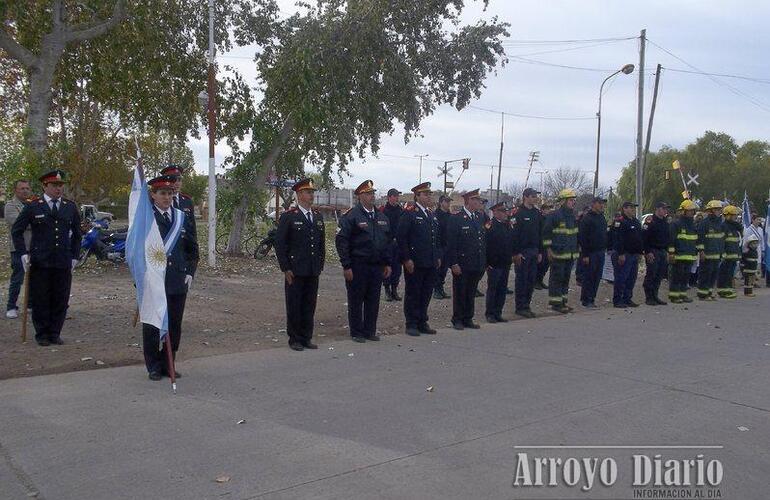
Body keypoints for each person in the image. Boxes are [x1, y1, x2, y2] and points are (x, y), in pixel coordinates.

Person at [12, 170, 81, 346]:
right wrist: (23, 253)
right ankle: (42, 333)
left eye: (60, 185)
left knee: (61, 298)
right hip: (41, 261)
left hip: (63, 260)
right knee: (41, 298)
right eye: (54, 185)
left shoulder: (69, 206)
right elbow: (17, 231)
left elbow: (77, 234)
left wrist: (74, 256)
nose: (58, 189)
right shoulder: (34, 206)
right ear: (45, 186)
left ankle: (55, 332)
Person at [139, 175, 198, 380]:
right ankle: (153, 365)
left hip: (177, 279)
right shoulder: (145, 218)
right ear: (153, 195)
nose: (167, 197)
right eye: (162, 193)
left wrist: (190, 272)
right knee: (153, 323)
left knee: (174, 324)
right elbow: (137, 251)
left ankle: (168, 362)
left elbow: (192, 249)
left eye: (170, 193)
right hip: (153, 280)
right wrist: (140, 278)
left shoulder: (181, 217)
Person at [335, 180, 392, 342]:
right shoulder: (351, 216)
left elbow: (386, 241)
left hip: (376, 266)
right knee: (356, 299)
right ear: (360, 196)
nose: (372, 196)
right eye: (368, 194)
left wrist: (387, 262)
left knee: (373, 299)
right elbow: (342, 241)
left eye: (373, 193)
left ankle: (370, 330)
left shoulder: (381, 217)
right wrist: (346, 265)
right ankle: (356, 332)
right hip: (358, 265)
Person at [276, 178, 325, 351]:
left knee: (309, 304)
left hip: (312, 270)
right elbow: (280, 244)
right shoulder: (289, 217)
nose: (311, 195)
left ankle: (306, 337)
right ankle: (294, 338)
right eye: (308, 192)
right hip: (295, 270)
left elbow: (321, 244)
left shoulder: (317, 217)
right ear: (299, 195)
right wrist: (286, 268)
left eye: (312, 192)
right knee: (294, 304)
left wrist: (320, 265)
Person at [397, 182, 441, 336]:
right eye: (426, 194)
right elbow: (402, 238)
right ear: (417, 196)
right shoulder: (409, 213)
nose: (429, 196)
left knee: (426, 292)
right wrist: (406, 259)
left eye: (430, 194)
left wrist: (437, 256)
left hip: (430, 261)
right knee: (413, 293)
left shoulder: (430, 214)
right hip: (415, 262)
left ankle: (422, 321)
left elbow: (435, 238)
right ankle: (411, 323)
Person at [445, 189, 486, 330]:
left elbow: (481, 241)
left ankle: (468, 318)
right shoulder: (456, 218)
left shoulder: (479, 217)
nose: (478, 202)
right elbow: (451, 243)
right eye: (476, 200)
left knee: (471, 292)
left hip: (476, 262)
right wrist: (454, 263)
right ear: (468, 201)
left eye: (479, 200)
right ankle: (457, 319)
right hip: (462, 263)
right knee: (460, 292)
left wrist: (483, 261)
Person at [542, 189, 578, 313]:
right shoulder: (554, 215)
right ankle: (556, 304)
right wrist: (548, 250)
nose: (573, 202)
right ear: (563, 201)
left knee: (565, 279)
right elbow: (546, 234)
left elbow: (574, 235)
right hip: (558, 253)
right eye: (571, 200)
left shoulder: (572, 216)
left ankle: (563, 302)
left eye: (574, 200)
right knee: (557, 278)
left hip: (569, 254)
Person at [511, 188, 543, 318]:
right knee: (522, 280)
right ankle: (520, 307)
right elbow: (513, 235)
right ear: (525, 197)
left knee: (531, 280)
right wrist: (516, 253)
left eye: (536, 196)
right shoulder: (517, 213)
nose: (535, 198)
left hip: (534, 251)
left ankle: (527, 305)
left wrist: (540, 251)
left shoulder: (537, 213)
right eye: (533, 196)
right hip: (522, 252)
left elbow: (540, 234)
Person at [5, 179, 32, 319]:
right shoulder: (10, 206)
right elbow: (18, 224)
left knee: (34, 277)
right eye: (22, 188)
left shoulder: (32, 205)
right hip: (18, 248)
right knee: (18, 278)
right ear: (15, 190)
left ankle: (30, 304)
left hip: (33, 246)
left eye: (27, 188)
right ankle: (11, 306)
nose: (25, 191)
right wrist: (35, 221)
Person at [484, 202, 514, 323]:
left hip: (505, 262)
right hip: (494, 263)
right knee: (493, 289)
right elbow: (486, 245)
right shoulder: (490, 225)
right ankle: (490, 313)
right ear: (495, 212)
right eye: (502, 211)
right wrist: (487, 263)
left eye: (505, 211)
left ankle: (498, 312)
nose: (505, 213)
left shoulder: (507, 225)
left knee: (502, 289)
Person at [611, 201, 643, 308]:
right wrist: (620, 253)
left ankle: (627, 298)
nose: (633, 209)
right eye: (630, 207)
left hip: (634, 254)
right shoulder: (620, 221)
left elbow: (639, 239)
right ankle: (618, 300)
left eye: (634, 207)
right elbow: (617, 239)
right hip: (624, 254)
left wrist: (640, 252)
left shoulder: (636, 222)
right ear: (624, 209)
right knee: (621, 278)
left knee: (631, 278)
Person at [577, 196, 607, 308]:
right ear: (594, 204)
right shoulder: (587, 219)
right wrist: (585, 255)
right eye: (600, 203)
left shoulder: (602, 217)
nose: (602, 205)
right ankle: (586, 299)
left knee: (597, 277)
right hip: (590, 253)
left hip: (600, 252)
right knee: (589, 277)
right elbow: (583, 238)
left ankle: (592, 298)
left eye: (603, 204)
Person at [668, 199, 699, 303]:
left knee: (685, 277)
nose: (692, 213)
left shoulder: (692, 225)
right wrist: (671, 253)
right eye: (689, 211)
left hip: (689, 255)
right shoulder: (676, 224)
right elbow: (671, 240)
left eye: (692, 211)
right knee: (677, 276)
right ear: (683, 211)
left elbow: (695, 239)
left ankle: (683, 294)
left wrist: (696, 252)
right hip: (679, 256)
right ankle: (674, 296)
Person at [695, 200, 726, 300]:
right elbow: (700, 239)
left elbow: (721, 239)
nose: (718, 211)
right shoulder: (704, 223)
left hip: (717, 254)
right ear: (711, 211)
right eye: (716, 209)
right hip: (707, 255)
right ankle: (702, 294)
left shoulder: (720, 224)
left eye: (719, 209)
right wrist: (701, 252)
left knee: (713, 275)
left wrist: (722, 252)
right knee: (705, 275)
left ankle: (710, 292)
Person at [642, 202, 671, 305]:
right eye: (664, 209)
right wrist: (648, 252)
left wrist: (667, 251)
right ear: (658, 209)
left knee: (659, 275)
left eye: (666, 209)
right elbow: (644, 238)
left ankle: (655, 295)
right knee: (651, 274)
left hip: (662, 251)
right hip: (653, 250)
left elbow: (667, 238)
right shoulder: (650, 221)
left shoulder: (665, 222)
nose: (665, 211)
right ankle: (649, 297)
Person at [160, 164, 197, 239]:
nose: (177, 183)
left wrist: (195, 250)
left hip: (184, 248)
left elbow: (192, 229)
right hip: (164, 246)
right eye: (173, 180)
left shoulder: (187, 201)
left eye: (179, 180)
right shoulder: (157, 201)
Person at [380, 188, 403, 302]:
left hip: (398, 244)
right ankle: (387, 290)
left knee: (397, 268)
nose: (397, 198)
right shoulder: (383, 211)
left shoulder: (400, 210)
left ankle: (394, 289)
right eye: (395, 196)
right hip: (387, 244)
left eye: (397, 196)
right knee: (387, 266)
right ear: (389, 197)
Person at [716, 205, 742, 299]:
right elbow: (721, 241)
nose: (735, 217)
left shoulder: (734, 227)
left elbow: (736, 242)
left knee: (730, 274)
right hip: (726, 256)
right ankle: (723, 291)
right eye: (733, 215)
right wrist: (723, 253)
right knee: (724, 273)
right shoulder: (723, 226)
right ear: (728, 215)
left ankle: (728, 290)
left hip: (733, 255)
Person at [433, 195, 452, 299]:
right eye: (446, 201)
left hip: (447, 246)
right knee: (438, 269)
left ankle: (441, 288)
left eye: (449, 202)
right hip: (439, 246)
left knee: (444, 269)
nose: (448, 204)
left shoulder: (450, 216)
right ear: (441, 203)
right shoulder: (436, 215)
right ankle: (436, 289)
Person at [534, 202, 554, 289]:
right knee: (540, 264)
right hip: (541, 245)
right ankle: (536, 282)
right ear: (542, 210)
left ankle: (540, 280)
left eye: (549, 209)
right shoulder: (539, 218)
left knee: (546, 264)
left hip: (548, 244)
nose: (548, 210)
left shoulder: (550, 219)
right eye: (547, 209)